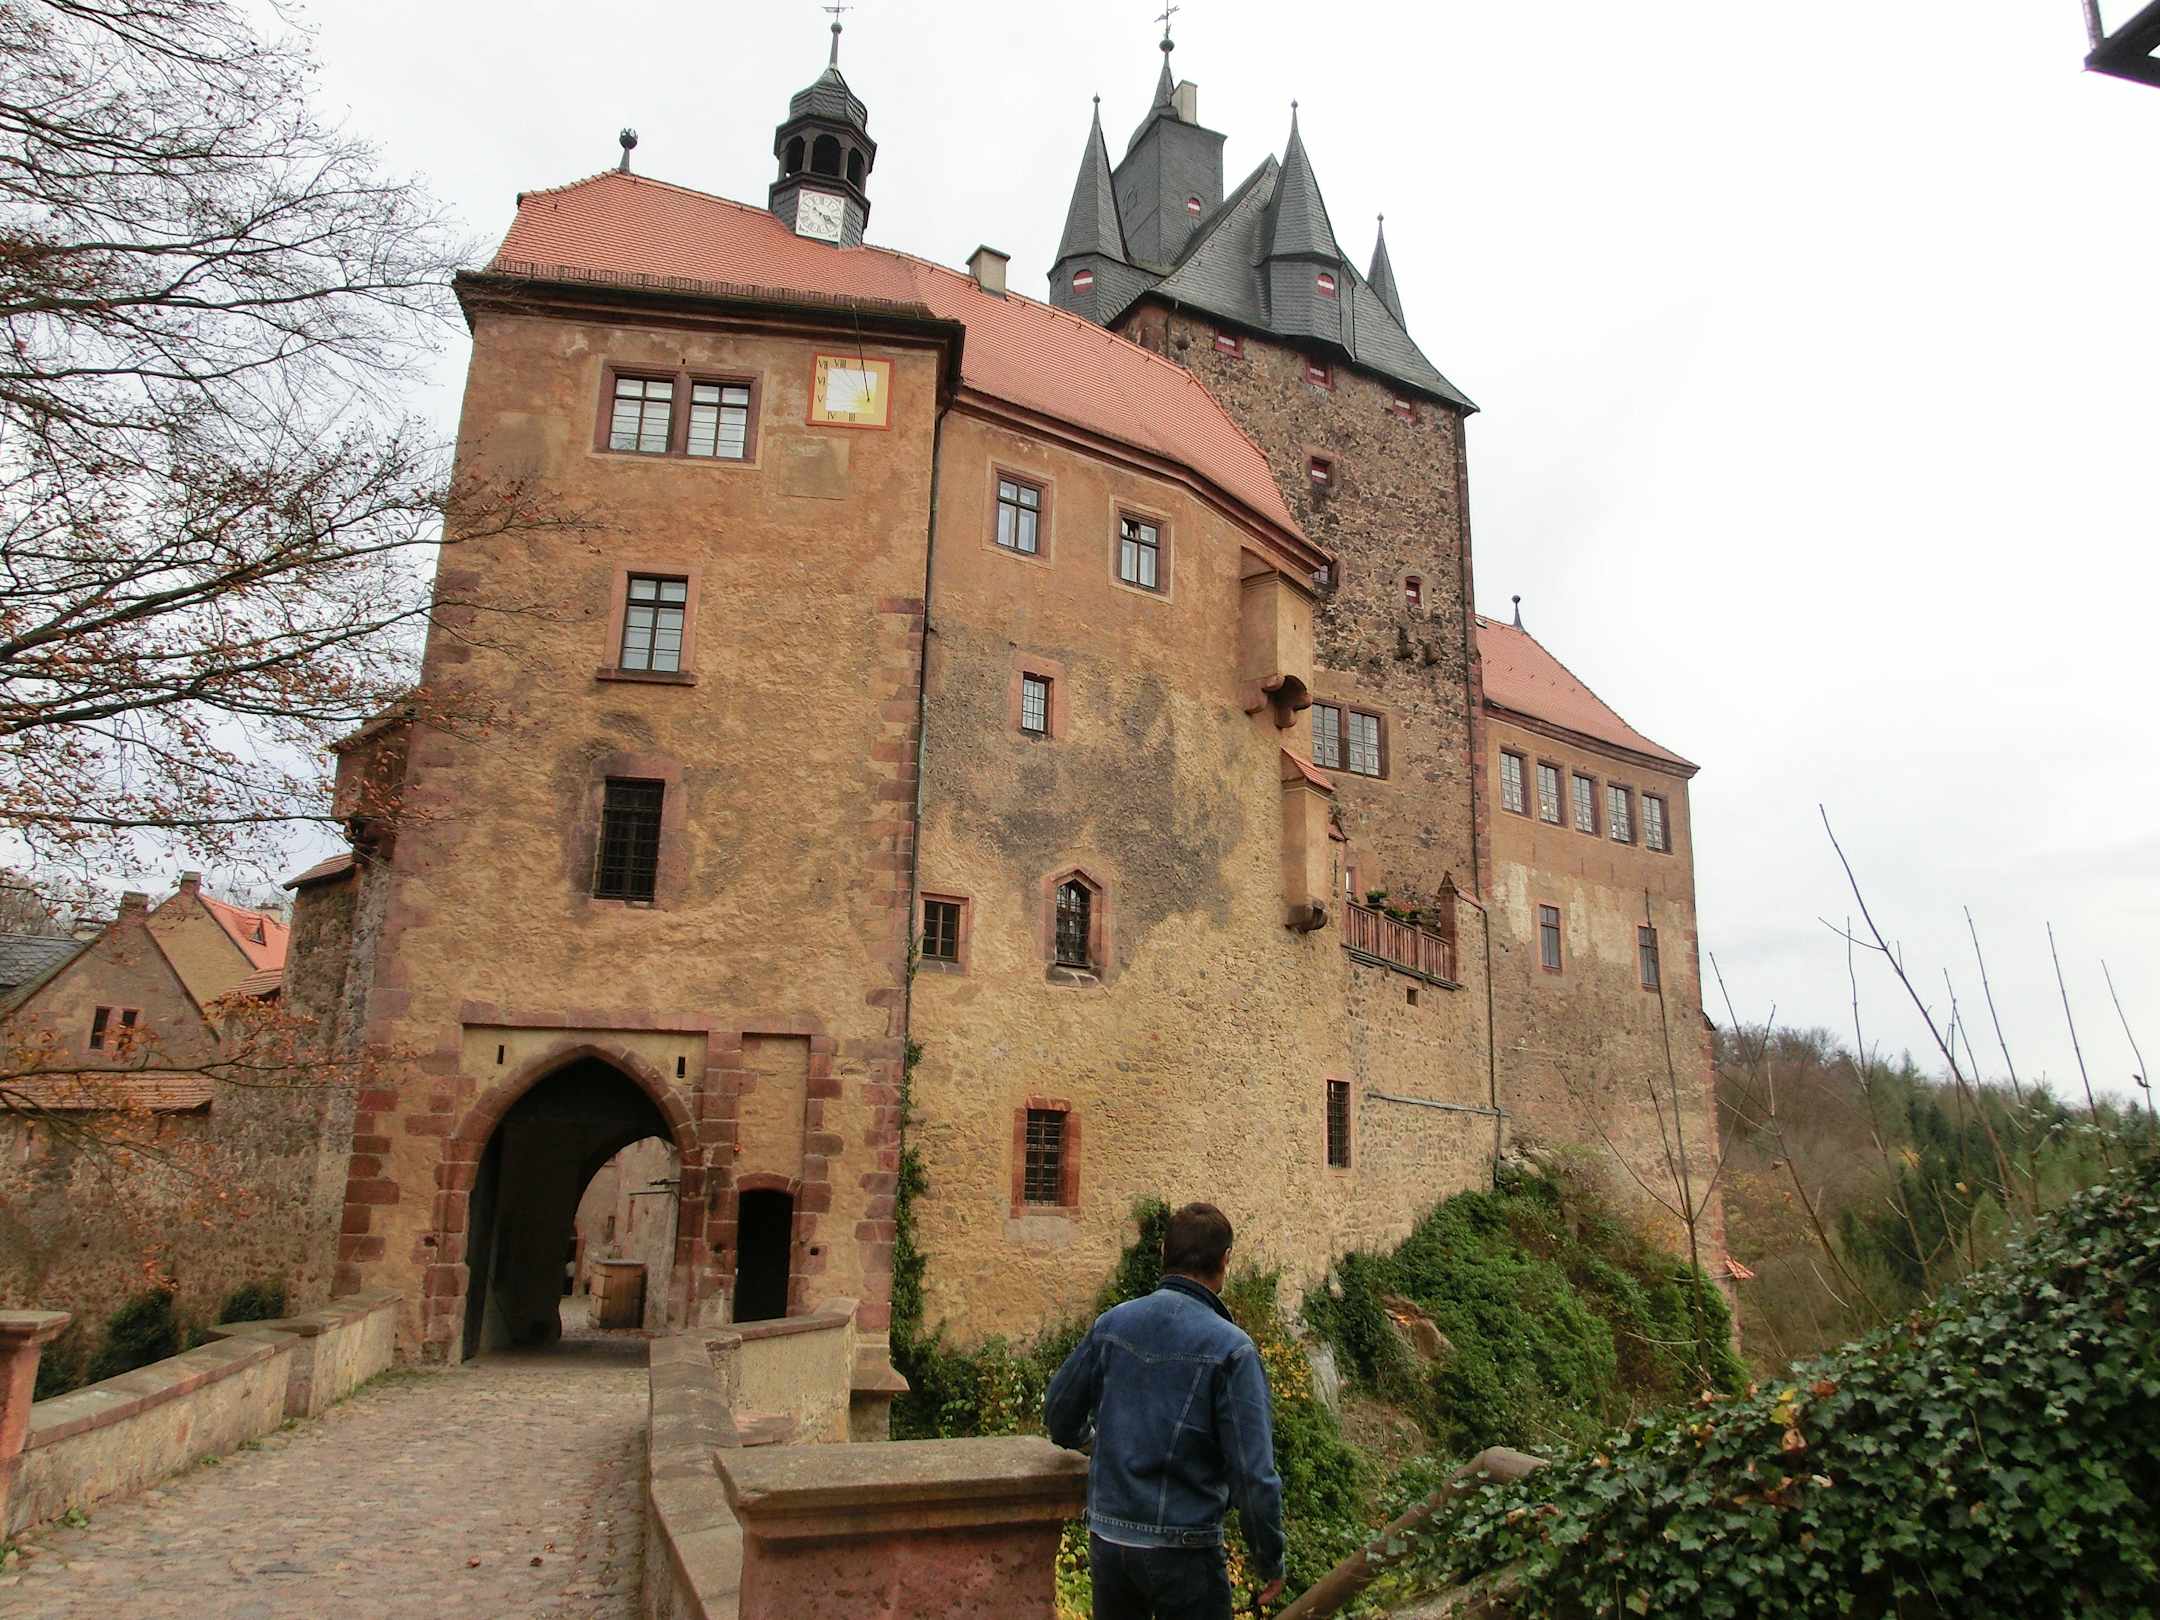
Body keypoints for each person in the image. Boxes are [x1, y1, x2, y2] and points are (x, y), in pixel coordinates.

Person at [1045, 1202, 1286, 1619]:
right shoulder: (1233, 1349)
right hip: (1185, 1549)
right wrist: (1269, 1558)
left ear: (1163, 1252)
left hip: (1110, 1540)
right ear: (1225, 1261)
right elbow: (1252, 1474)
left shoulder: (1112, 1324)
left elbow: (1059, 1414)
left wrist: (1091, 1442)